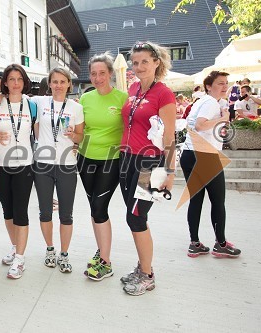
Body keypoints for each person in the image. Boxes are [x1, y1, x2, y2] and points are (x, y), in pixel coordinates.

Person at [118, 41, 176, 296]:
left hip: (148, 164)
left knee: (136, 217)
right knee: (134, 217)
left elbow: (170, 137)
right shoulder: (133, 88)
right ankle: (143, 266)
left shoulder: (164, 93)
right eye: (135, 62)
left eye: (145, 61)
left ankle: (148, 274)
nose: (139, 66)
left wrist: (171, 173)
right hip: (127, 160)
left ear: (156, 63)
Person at [78, 53, 128, 281]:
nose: (97, 78)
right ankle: (101, 252)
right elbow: (81, 129)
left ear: (110, 74)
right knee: (95, 209)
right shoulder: (85, 99)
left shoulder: (123, 98)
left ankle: (106, 263)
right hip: (85, 159)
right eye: (93, 74)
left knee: (99, 207)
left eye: (102, 73)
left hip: (112, 159)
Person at [180, 71, 241, 258]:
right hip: (204, 155)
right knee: (217, 201)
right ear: (208, 86)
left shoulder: (201, 102)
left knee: (196, 200)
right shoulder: (210, 103)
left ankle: (194, 243)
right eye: (220, 83)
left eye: (226, 83)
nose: (224, 86)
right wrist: (223, 119)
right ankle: (221, 244)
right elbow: (201, 125)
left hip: (189, 154)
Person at [31, 67, 84, 273]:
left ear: (69, 84)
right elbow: (15, 96)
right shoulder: (38, 102)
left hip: (67, 165)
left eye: (63, 82)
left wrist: (73, 136)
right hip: (42, 164)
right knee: (45, 212)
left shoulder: (75, 107)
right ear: (49, 84)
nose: (58, 85)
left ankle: (64, 254)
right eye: (55, 81)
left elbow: (80, 137)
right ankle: (50, 250)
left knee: (66, 214)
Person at [0, 64, 36, 279]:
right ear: (5, 82)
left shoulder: (32, 105)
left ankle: (20, 258)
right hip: (1, 165)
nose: (16, 83)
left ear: (24, 81)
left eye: (19, 79)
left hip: (24, 165)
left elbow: (39, 133)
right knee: (7, 211)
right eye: (11, 79)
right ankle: (15, 246)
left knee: (21, 211)